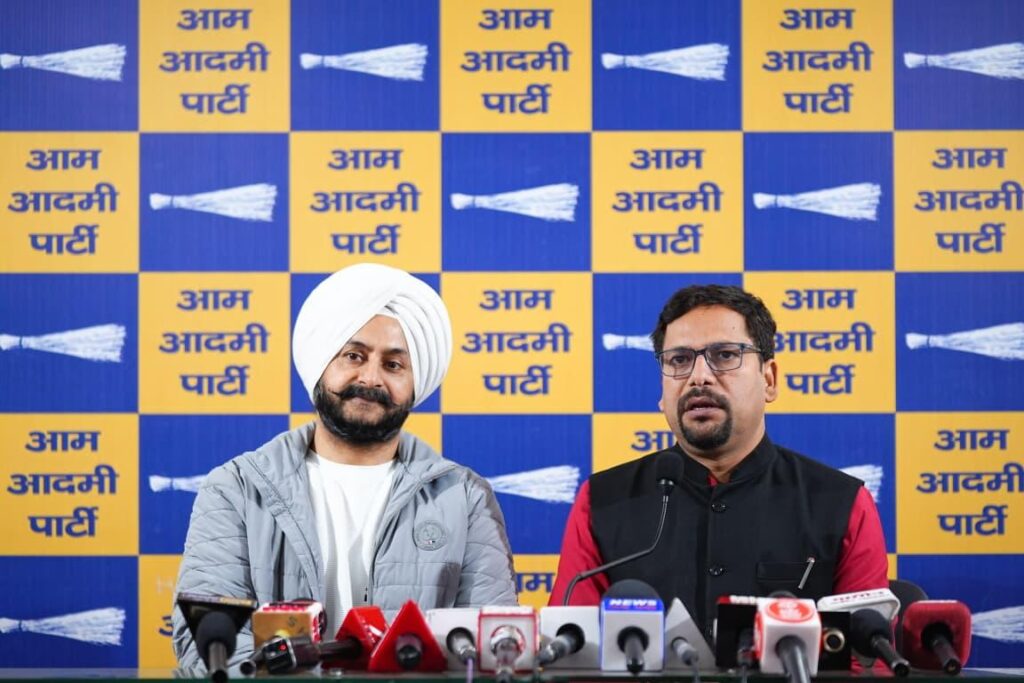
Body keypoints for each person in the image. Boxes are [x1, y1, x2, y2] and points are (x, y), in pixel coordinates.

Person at [173, 263, 517, 669]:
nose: (370, 378)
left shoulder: (464, 497)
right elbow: (207, 645)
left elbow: (489, 646)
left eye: (393, 365)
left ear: (415, 383)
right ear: (321, 362)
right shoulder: (238, 489)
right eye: (354, 356)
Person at [549, 284, 887, 638]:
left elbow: (867, 659)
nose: (699, 377)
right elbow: (573, 652)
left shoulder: (841, 504)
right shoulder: (603, 501)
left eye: (725, 355)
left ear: (769, 380)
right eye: (679, 360)